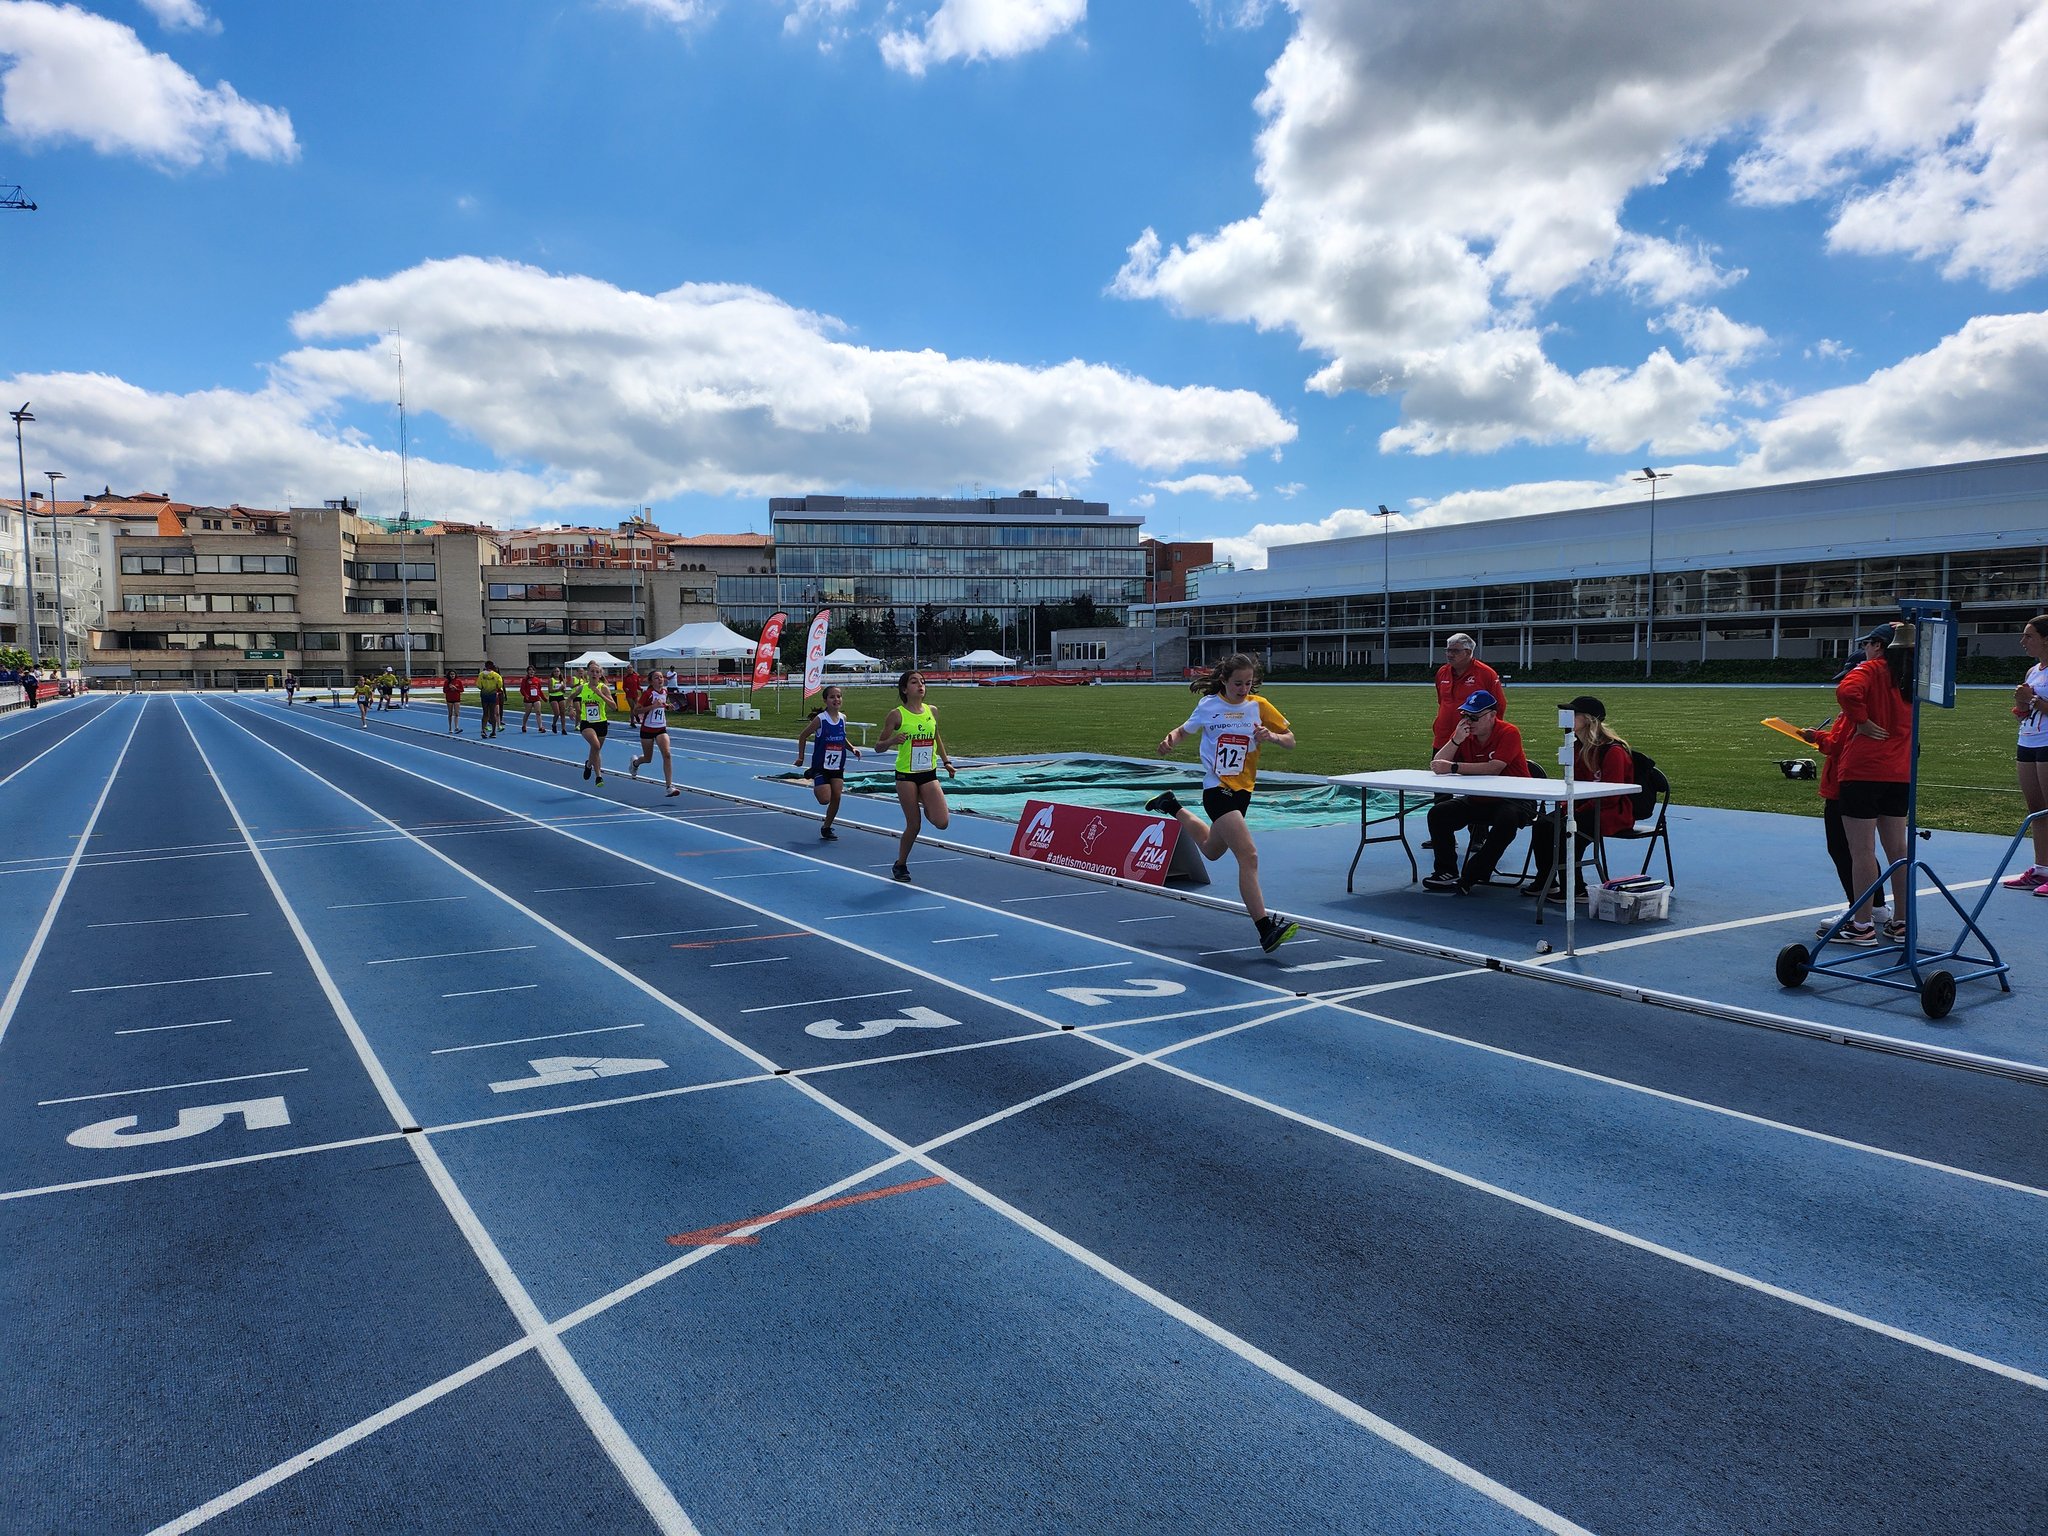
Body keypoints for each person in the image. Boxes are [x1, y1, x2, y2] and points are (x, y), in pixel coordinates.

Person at [1145, 652, 1301, 952]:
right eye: (1238, 684)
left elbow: (1291, 740)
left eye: (1248, 684)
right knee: (1249, 856)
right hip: (1217, 789)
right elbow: (1183, 730)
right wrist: (1170, 741)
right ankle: (1264, 929)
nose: (1243, 689)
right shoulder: (1209, 706)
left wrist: (1271, 737)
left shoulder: (1259, 706)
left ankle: (1171, 805)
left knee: (1212, 850)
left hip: (1244, 791)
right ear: (1224, 681)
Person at [1799, 625, 1894, 937]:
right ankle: (1876, 907)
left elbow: (1836, 744)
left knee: (1848, 850)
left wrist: (1814, 737)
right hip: (1870, 778)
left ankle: (1860, 911)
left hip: (1845, 784)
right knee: (1868, 849)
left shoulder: (1857, 708)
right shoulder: (1887, 701)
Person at [1833, 637, 1915, 944]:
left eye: (1869, 643)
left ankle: (1862, 924)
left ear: (1880, 646)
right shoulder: (1913, 677)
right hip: (1899, 770)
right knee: (1899, 850)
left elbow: (1846, 690)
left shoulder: (1872, 669)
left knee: (1862, 851)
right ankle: (1903, 920)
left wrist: (1862, 721)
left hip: (1865, 768)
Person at [1525, 695, 1633, 905]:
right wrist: (1567, 806)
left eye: (1574, 714)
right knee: (1543, 824)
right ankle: (1546, 879)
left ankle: (1575, 888)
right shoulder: (1576, 748)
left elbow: (1612, 795)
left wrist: (1577, 808)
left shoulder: (1613, 752)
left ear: (1588, 719)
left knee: (1568, 830)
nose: (1568, 718)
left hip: (1610, 811)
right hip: (1584, 807)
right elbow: (1574, 784)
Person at [1422, 688, 1531, 894]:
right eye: (1465, 715)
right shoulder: (1466, 737)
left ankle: (1474, 872)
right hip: (1480, 799)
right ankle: (1446, 872)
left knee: (1506, 820)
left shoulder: (1509, 732)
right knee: (1439, 813)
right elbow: (1438, 764)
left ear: (1491, 716)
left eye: (1474, 716)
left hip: (1514, 799)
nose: (1468, 721)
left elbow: (1494, 768)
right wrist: (1455, 740)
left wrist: (1454, 767)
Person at [875, 669, 956, 881]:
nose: (920, 685)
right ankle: (900, 864)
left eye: (922, 682)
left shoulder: (932, 711)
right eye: (914, 682)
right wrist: (892, 741)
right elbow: (878, 747)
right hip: (906, 776)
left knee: (942, 822)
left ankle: (924, 799)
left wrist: (946, 761)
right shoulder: (897, 715)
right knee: (914, 824)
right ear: (904, 689)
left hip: (928, 773)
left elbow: (936, 737)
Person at [2001, 613, 2048, 894]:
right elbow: (2025, 713)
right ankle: (2042, 868)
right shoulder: (2033, 671)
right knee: (2037, 810)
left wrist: (2032, 699)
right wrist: (2021, 705)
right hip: (2028, 740)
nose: (2023, 642)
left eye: (2029, 636)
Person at [794, 685, 861, 839]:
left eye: (839, 696)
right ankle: (813, 774)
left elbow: (841, 738)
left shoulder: (843, 718)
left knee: (837, 797)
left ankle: (827, 827)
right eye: (832, 697)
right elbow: (803, 736)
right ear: (825, 700)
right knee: (825, 799)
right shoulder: (821, 719)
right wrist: (801, 757)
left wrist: (852, 749)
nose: (836, 699)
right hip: (821, 765)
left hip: (837, 765)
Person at [1431, 634, 1506, 750]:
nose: (1449, 655)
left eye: (1455, 651)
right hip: (1442, 739)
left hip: (1471, 739)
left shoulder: (1485, 673)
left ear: (1468, 652)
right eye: (1448, 650)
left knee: (1467, 768)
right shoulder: (1442, 672)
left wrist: (1490, 735)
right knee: (1438, 767)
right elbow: (1442, 702)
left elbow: (1499, 707)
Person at [629, 669, 680, 796]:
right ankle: (635, 763)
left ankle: (669, 786)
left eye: (661, 677)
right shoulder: (648, 694)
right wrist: (653, 706)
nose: (660, 679)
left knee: (667, 754)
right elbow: (636, 711)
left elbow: (662, 704)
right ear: (651, 681)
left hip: (661, 728)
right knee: (647, 759)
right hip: (647, 729)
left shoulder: (664, 691)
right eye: (657, 678)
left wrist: (667, 706)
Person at [573, 662, 617, 784]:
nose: (594, 674)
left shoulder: (604, 688)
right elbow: (571, 697)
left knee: (596, 750)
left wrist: (601, 694)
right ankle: (598, 776)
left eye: (597, 672)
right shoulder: (583, 687)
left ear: (600, 674)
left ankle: (588, 764)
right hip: (587, 723)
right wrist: (570, 709)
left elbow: (614, 706)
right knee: (596, 746)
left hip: (601, 723)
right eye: (592, 671)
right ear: (587, 673)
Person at [476, 659, 504, 739]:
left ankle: (483, 730)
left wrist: (484, 687)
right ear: (492, 666)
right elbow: (500, 685)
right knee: (493, 714)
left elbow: (479, 685)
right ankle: (493, 732)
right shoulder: (496, 675)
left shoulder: (481, 674)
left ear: (485, 666)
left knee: (485, 713)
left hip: (484, 695)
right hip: (492, 695)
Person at [518, 667, 543, 733]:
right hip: (528, 699)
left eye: (533, 670)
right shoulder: (525, 679)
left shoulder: (537, 679)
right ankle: (524, 725)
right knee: (527, 713)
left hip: (536, 698)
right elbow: (522, 689)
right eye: (530, 670)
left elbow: (539, 690)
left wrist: (544, 698)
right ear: (527, 671)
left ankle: (540, 727)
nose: (531, 671)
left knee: (538, 712)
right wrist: (525, 695)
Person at [442, 670, 466, 734]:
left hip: (457, 699)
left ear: (455, 675)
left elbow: (462, 690)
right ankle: (450, 727)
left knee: (457, 713)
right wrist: (449, 688)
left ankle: (456, 727)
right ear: (449, 675)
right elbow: (444, 690)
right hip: (449, 699)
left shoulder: (458, 681)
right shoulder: (447, 682)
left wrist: (456, 688)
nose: (452, 675)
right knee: (450, 714)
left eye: (453, 674)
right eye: (451, 674)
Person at [546, 667, 569, 734]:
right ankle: (554, 724)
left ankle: (563, 729)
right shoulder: (551, 680)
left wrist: (563, 689)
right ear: (553, 673)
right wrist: (559, 689)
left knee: (563, 713)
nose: (556, 673)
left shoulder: (563, 680)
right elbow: (550, 690)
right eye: (555, 671)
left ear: (560, 672)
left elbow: (564, 691)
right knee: (557, 713)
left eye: (558, 671)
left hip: (560, 696)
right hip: (553, 697)